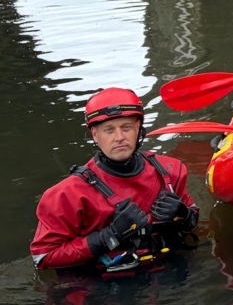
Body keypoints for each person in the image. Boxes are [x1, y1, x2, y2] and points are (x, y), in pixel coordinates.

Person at [30, 88, 198, 270]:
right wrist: (109, 235)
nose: (119, 138)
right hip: (104, 280)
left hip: (170, 267)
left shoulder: (170, 171)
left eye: (126, 128)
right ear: (95, 135)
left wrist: (185, 215)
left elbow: (192, 216)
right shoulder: (67, 194)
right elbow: (43, 257)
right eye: (109, 130)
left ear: (138, 129)